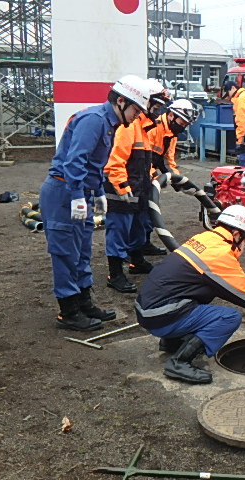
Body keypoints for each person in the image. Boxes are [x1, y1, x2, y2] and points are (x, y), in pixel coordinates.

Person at [134, 205, 245, 384]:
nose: (244, 246)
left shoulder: (204, 238)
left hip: (146, 309)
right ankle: (179, 362)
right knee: (228, 317)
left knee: (196, 303)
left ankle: (170, 342)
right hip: (161, 315)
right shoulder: (219, 254)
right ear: (236, 234)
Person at [39, 75, 149, 331]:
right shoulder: (94, 121)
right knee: (66, 252)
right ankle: (68, 312)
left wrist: (97, 191)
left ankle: (84, 303)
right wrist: (77, 194)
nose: (137, 116)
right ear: (121, 101)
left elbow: (93, 165)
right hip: (64, 192)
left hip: (79, 192)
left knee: (82, 252)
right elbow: (75, 161)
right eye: (136, 109)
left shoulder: (108, 124)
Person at [104, 78, 171, 293]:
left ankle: (136, 261)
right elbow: (116, 159)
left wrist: (150, 177)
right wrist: (122, 186)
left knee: (136, 228)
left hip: (137, 188)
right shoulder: (129, 126)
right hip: (122, 190)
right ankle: (115, 274)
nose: (158, 112)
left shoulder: (144, 127)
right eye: (157, 106)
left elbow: (143, 160)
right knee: (119, 231)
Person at [143, 98, 198, 255]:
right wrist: (153, 176)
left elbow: (169, 161)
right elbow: (143, 157)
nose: (184, 126)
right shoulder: (154, 127)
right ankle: (132, 251)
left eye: (186, 124)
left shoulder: (172, 133)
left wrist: (180, 182)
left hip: (150, 172)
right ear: (171, 115)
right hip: (139, 173)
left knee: (149, 212)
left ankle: (144, 245)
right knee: (138, 213)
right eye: (183, 122)